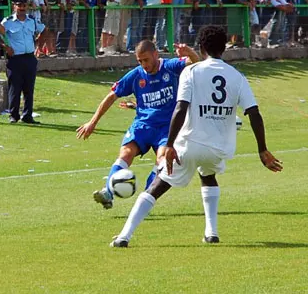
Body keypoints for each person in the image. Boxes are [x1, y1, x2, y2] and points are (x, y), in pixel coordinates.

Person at [110, 25, 282, 248]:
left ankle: (124, 236)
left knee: (157, 187)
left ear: (201, 48)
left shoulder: (191, 72)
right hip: (218, 149)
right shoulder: (237, 77)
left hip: (189, 146)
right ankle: (212, 233)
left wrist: (170, 144)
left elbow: (180, 108)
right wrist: (262, 149)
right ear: (224, 48)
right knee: (208, 174)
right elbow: (254, 113)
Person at [76, 39, 199, 209]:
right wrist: (93, 122)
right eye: (140, 61)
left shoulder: (170, 67)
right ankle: (108, 193)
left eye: (146, 60)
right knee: (126, 153)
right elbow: (112, 95)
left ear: (156, 54)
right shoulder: (136, 75)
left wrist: (189, 51)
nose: (143, 64)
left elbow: (196, 62)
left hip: (166, 128)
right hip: (142, 125)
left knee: (162, 159)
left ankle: (145, 198)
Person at [2, 0, 45, 124]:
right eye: (19, 5)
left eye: (24, 5)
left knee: (29, 88)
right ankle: (13, 115)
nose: (22, 7)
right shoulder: (8, 21)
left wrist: (38, 45)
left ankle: (27, 115)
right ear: (14, 6)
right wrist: (6, 47)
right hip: (15, 58)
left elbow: (43, 30)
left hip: (29, 57)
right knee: (14, 88)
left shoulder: (32, 20)